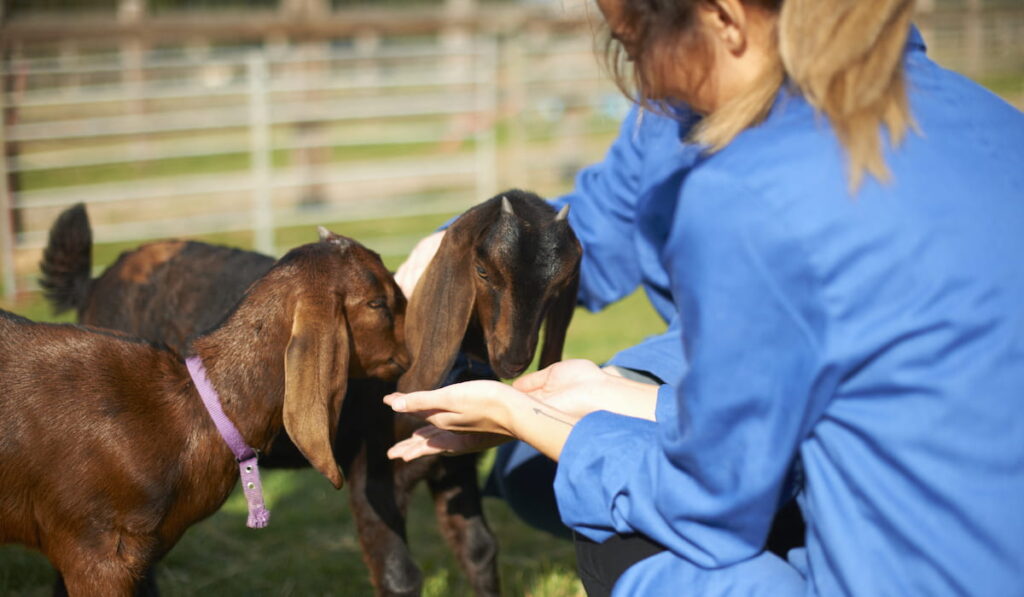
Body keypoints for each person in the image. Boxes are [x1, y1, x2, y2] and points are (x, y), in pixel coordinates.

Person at [390, 0, 1024, 594]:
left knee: (613, 531)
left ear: (722, 16)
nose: (643, 84)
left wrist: (528, 418)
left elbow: (707, 502)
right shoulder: (989, 118)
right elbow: (599, 230)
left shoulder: (751, 191)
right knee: (537, 477)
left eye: (633, 46)